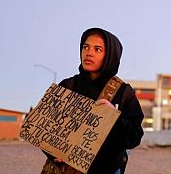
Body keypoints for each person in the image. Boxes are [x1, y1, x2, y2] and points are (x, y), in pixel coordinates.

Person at [41, 27, 144, 174]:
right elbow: (44, 128)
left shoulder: (123, 92)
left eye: (97, 49)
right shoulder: (68, 86)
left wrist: (113, 117)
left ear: (110, 55)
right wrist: (52, 154)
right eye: (85, 47)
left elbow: (134, 138)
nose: (89, 53)